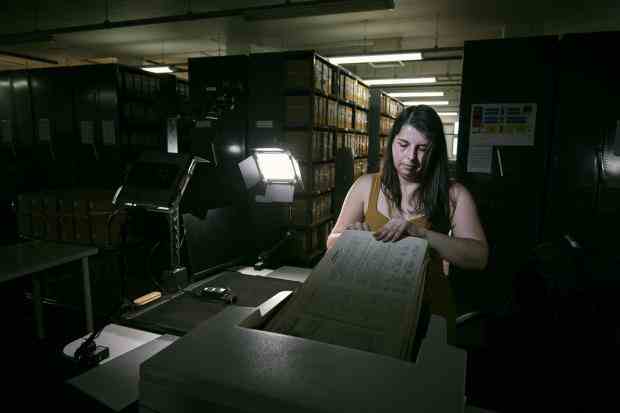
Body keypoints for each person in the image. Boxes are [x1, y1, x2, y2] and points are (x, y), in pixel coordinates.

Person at [326, 105, 488, 341]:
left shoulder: (454, 194)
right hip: (368, 305)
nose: (411, 157)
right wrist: (352, 237)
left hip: (430, 311)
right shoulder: (365, 185)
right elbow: (331, 242)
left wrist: (420, 233)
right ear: (392, 143)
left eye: (422, 149)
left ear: (436, 151)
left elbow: (479, 257)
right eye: (403, 145)